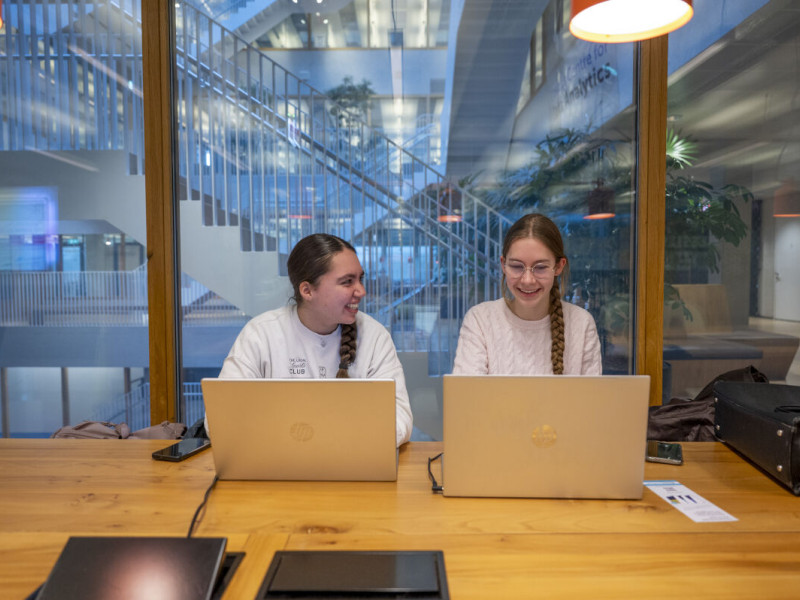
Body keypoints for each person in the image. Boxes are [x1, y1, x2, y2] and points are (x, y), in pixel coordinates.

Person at [217, 233, 413, 446]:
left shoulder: (374, 337)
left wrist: (333, 439)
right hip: (279, 467)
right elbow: (220, 419)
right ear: (307, 290)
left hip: (352, 464)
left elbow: (400, 419)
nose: (362, 291)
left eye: (360, 279)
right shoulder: (261, 335)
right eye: (347, 282)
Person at [452, 213, 602, 375]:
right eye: (517, 266)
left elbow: (590, 399)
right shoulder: (480, 320)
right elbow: (467, 396)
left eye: (540, 267)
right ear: (503, 264)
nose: (527, 280)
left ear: (558, 267)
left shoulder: (581, 324)